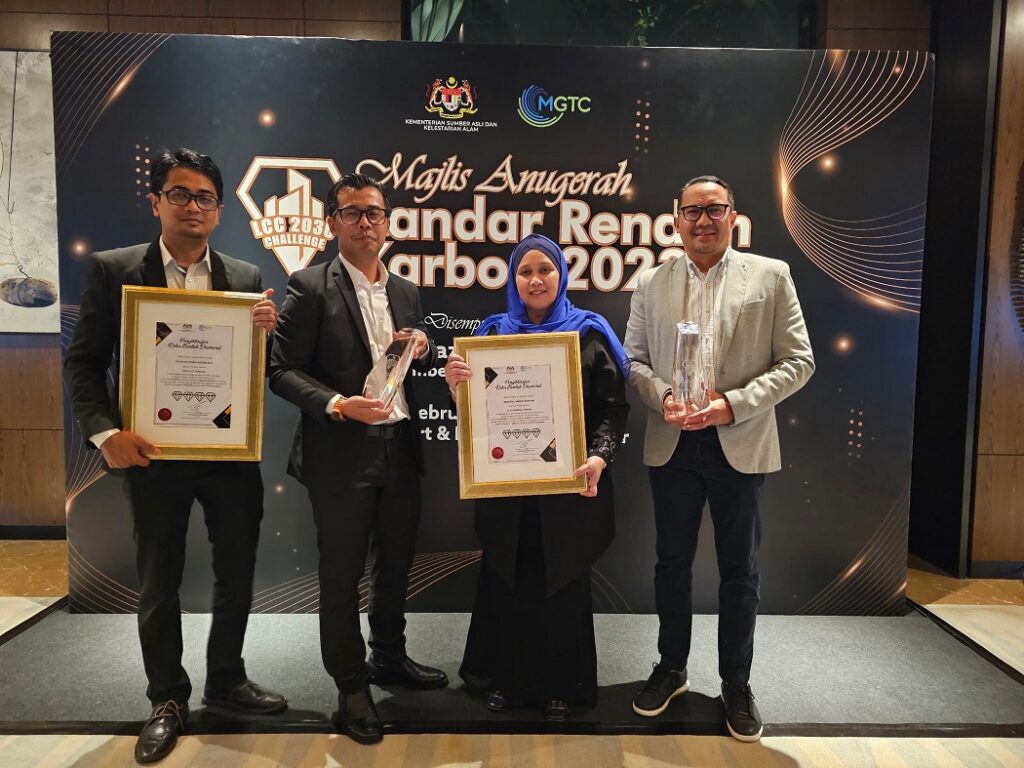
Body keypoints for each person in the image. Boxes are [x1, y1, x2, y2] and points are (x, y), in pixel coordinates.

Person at [64, 148, 287, 765]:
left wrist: (265, 334)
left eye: (206, 198)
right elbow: (83, 363)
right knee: (159, 579)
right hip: (152, 452)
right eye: (181, 194)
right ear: (156, 201)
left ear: (219, 209)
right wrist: (107, 435)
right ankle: (167, 698)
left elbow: (254, 375)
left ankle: (227, 679)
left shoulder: (243, 278)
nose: (194, 206)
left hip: (228, 454)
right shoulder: (115, 271)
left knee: (237, 570)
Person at [624, 175, 814, 742]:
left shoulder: (771, 276)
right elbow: (633, 361)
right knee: (671, 566)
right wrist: (662, 397)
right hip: (674, 442)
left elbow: (798, 362)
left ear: (733, 216)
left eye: (715, 210)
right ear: (675, 219)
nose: (703, 220)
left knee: (740, 572)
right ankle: (671, 668)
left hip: (740, 439)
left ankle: (736, 683)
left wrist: (731, 406)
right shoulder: (650, 282)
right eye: (692, 211)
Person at [268, 173, 446, 745]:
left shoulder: (407, 291)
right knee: (342, 576)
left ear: (388, 221)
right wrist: (340, 404)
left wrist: (419, 347)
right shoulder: (309, 286)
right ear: (332, 223)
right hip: (342, 450)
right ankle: (350, 686)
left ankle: (389, 658)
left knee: (396, 564)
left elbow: (404, 362)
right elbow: (280, 371)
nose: (365, 222)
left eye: (374, 213)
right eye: (352, 213)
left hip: (400, 447)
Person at [444, 233, 630, 721]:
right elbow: (473, 418)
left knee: (561, 582)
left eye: (544, 270)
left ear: (561, 275)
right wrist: (456, 389)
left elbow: (615, 410)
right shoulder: (489, 336)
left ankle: (562, 686)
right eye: (525, 271)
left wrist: (599, 457)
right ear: (513, 279)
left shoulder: (590, 334)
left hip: (569, 485)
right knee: (509, 577)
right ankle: (506, 680)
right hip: (508, 486)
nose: (535, 280)